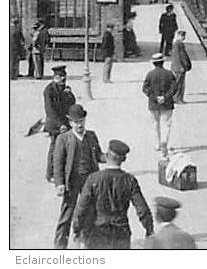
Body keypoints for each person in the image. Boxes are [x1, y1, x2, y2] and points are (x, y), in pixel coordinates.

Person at [71, 139, 154, 249]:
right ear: (123, 159)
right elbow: (142, 209)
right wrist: (149, 229)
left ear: (107, 156)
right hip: (121, 233)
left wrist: (76, 230)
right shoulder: (130, 180)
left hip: (97, 232)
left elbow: (81, 207)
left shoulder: (93, 178)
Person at [52, 104, 106, 249]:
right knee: (67, 214)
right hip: (72, 181)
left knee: (90, 211)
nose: (79, 125)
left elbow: (99, 156)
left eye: (82, 121)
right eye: (76, 122)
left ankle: (87, 243)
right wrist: (59, 184)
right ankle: (59, 246)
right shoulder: (63, 139)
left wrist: (109, 157)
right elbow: (57, 163)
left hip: (89, 180)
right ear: (70, 122)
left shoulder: (91, 136)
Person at [44, 65, 76, 182]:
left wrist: (70, 95)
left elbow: (71, 105)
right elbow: (50, 110)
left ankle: (62, 172)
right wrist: (60, 124)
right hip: (54, 125)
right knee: (54, 149)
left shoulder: (65, 89)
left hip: (65, 124)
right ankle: (50, 173)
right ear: (55, 77)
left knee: (65, 148)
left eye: (64, 76)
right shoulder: (49, 90)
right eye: (60, 76)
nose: (63, 79)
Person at [142, 53, 178, 158]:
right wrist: (165, 97)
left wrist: (155, 98)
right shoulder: (169, 74)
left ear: (153, 63)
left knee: (155, 124)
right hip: (167, 104)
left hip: (153, 104)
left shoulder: (150, 74)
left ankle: (157, 144)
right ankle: (164, 142)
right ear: (163, 62)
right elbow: (174, 88)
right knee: (166, 124)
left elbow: (145, 88)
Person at [170, 30, 192, 104]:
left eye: (184, 36)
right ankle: (177, 99)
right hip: (179, 67)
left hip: (179, 67)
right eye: (182, 36)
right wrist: (181, 66)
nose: (183, 37)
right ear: (178, 36)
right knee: (179, 84)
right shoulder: (178, 44)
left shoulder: (178, 44)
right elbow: (178, 56)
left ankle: (178, 98)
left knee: (180, 83)